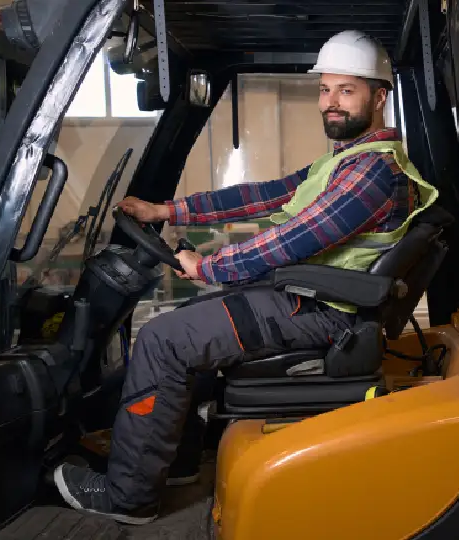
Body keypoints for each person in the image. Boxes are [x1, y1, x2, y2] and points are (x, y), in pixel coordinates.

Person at [51, 29, 438, 525]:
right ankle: (174, 463)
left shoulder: (372, 174)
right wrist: (167, 209)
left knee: (161, 339)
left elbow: (294, 240)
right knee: (184, 322)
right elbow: (265, 195)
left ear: (379, 97)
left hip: (321, 311)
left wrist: (205, 267)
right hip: (307, 295)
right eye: (325, 90)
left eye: (347, 90)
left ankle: (128, 498)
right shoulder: (346, 163)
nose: (330, 103)